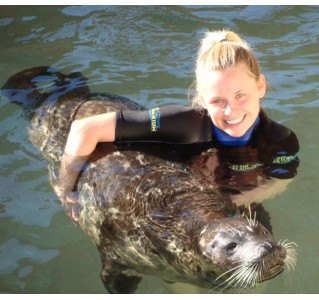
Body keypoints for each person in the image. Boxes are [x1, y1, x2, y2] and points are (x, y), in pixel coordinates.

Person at [55, 29, 299, 221]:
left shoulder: (281, 140)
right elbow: (84, 129)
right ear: (202, 99)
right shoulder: (183, 124)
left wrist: (237, 201)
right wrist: (66, 189)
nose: (229, 110)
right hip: (180, 205)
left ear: (260, 86)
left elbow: (280, 180)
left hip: (239, 201)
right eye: (217, 100)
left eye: (240, 95)